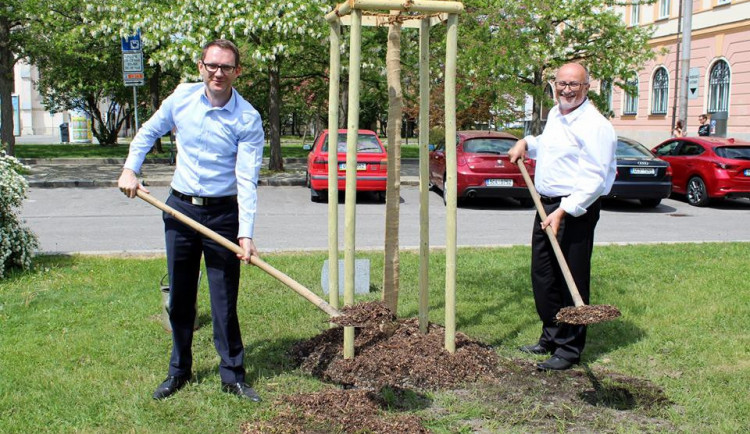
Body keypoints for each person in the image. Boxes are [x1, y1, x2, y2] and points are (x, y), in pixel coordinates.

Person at [118, 39, 265, 401]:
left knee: (223, 300)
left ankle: (232, 375)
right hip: (179, 209)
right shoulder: (180, 98)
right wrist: (130, 170)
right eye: (211, 65)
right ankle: (178, 370)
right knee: (180, 297)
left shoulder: (247, 117)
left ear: (237, 72)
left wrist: (245, 234)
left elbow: (246, 179)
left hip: (222, 215)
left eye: (226, 67)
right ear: (200, 66)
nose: (218, 72)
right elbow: (148, 132)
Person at [508, 63, 617, 371]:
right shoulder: (557, 114)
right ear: (554, 85)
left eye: (574, 85)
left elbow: (595, 178)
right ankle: (551, 335)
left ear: (587, 88)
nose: (567, 89)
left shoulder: (596, 126)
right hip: (546, 206)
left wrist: (565, 211)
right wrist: (527, 143)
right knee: (544, 276)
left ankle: (569, 349)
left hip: (574, 209)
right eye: (562, 83)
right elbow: (549, 146)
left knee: (571, 278)